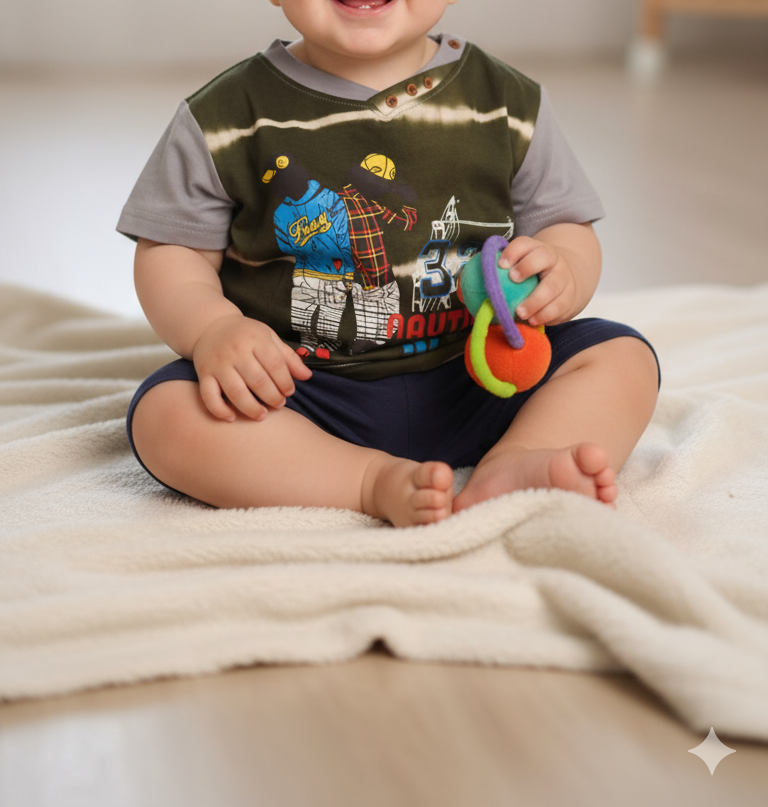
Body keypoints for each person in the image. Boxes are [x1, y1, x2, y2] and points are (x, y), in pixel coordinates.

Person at [119, 0, 660, 528]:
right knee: (168, 414)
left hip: (478, 376)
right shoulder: (223, 117)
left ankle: (516, 460)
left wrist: (563, 267)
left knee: (622, 357)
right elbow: (172, 251)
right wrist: (215, 329)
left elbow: (565, 225)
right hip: (301, 390)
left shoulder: (507, 104)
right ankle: (365, 481)